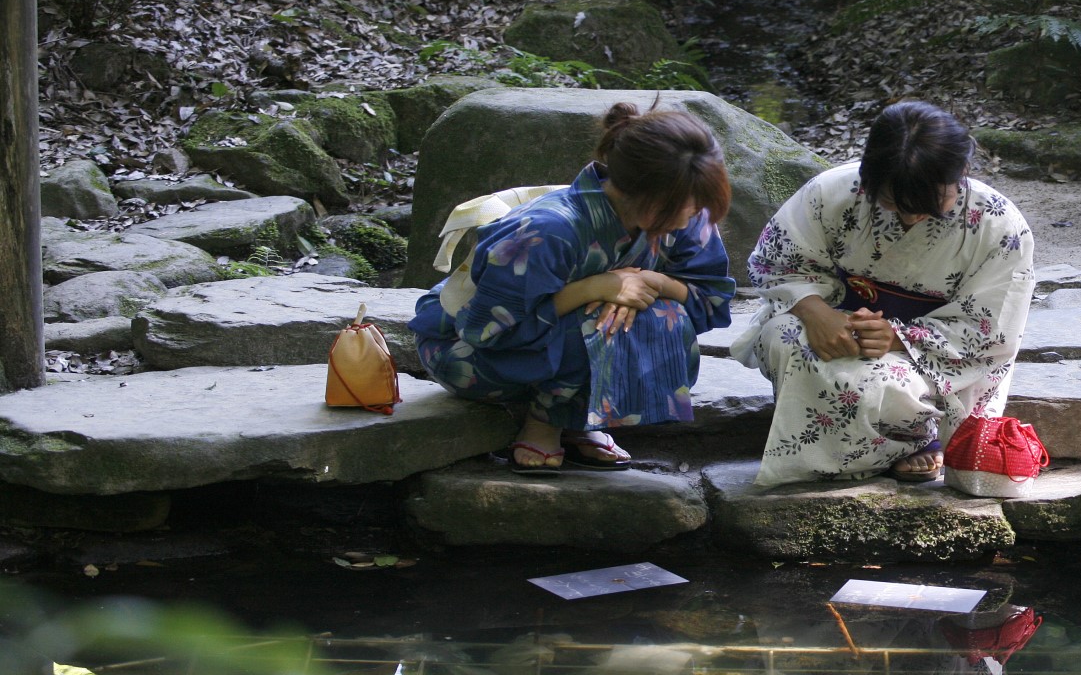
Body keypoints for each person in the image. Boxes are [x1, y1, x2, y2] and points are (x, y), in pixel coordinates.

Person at [410, 102, 735, 474]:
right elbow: (487, 331)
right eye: (686, 205)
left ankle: (581, 419)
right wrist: (596, 287)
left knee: (667, 316)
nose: (695, 214)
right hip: (469, 349)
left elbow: (711, 303)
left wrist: (653, 281)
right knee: (596, 318)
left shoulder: (688, 214)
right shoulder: (545, 231)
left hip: (545, 341)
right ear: (646, 195)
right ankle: (545, 423)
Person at [734, 101, 1034, 488]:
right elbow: (777, 262)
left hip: (928, 350)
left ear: (962, 172)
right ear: (868, 175)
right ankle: (848, 447)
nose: (910, 217)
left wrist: (896, 337)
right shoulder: (831, 192)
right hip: (831, 321)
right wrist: (816, 313)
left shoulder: (999, 225)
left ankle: (912, 440)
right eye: (893, 203)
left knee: (884, 386)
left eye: (929, 205)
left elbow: (991, 328)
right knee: (785, 339)